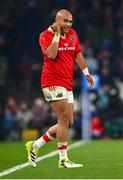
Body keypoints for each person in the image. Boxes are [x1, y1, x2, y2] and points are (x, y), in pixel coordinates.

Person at [26, 9, 94, 168]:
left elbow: (78, 54)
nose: (68, 25)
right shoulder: (45, 35)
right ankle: (63, 159)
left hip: (67, 82)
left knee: (68, 122)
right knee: (63, 119)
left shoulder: (73, 34)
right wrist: (56, 35)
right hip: (52, 81)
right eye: (65, 21)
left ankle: (35, 145)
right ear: (57, 21)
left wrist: (86, 73)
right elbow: (50, 54)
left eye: (70, 21)